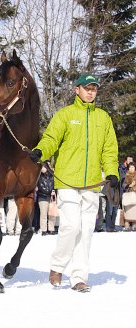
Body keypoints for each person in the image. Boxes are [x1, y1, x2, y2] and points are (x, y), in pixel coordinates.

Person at [29, 74, 119, 292]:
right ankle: (57, 266)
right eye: (86, 88)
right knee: (71, 226)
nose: (90, 92)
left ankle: (79, 278)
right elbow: (51, 138)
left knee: (86, 231)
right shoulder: (65, 115)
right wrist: (41, 151)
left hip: (92, 184)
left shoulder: (103, 118)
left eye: (94, 89)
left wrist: (112, 172)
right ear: (76, 90)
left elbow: (109, 149)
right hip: (67, 181)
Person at [37, 162, 56, 235]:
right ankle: (44, 230)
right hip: (42, 196)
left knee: (52, 214)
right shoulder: (38, 175)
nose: (43, 168)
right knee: (43, 214)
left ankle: (51, 229)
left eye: (44, 167)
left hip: (52, 196)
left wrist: (54, 191)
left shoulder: (52, 174)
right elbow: (39, 186)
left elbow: (55, 184)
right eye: (42, 167)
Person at [122, 162, 136, 231]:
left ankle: (134, 225)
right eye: (130, 167)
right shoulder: (126, 175)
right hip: (128, 195)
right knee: (128, 211)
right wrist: (129, 186)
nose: (131, 168)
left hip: (135, 195)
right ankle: (126, 225)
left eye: (133, 167)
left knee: (134, 211)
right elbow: (123, 185)